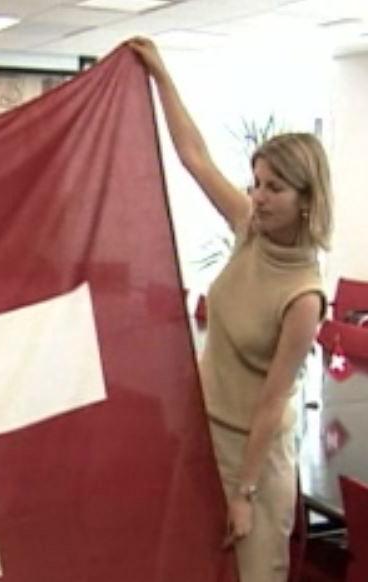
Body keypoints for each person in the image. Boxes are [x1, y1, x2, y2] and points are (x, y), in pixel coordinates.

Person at [128, 37, 333, 582]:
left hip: (254, 457)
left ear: (306, 199)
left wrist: (245, 493)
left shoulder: (304, 297)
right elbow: (195, 159)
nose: (259, 196)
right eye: (256, 182)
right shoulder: (248, 229)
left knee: (253, 573)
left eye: (274, 188)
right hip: (203, 432)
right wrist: (160, 75)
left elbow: (269, 407)